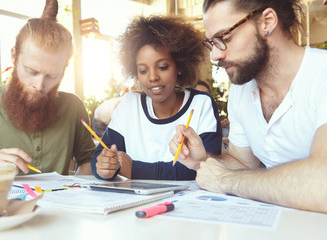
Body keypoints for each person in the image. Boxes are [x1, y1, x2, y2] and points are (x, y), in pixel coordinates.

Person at [169, 0, 327, 213]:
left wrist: (228, 180)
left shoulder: (321, 76)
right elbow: (243, 164)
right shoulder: (241, 91)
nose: (215, 55)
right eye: (211, 43)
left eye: (224, 37)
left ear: (267, 22)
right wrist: (203, 160)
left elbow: (322, 183)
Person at [0, 0, 96, 175]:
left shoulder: (73, 107)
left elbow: (87, 161)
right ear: (14, 56)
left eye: (53, 76)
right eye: (31, 71)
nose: (40, 85)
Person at [91, 15, 222, 180]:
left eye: (162, 67)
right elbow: (99, 157)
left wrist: (135, 170)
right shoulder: (129, 105)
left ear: (179, 66)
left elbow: (204, 166)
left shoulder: (201, 104)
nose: (152, 77)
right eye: (143, 70)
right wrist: (104, 167)